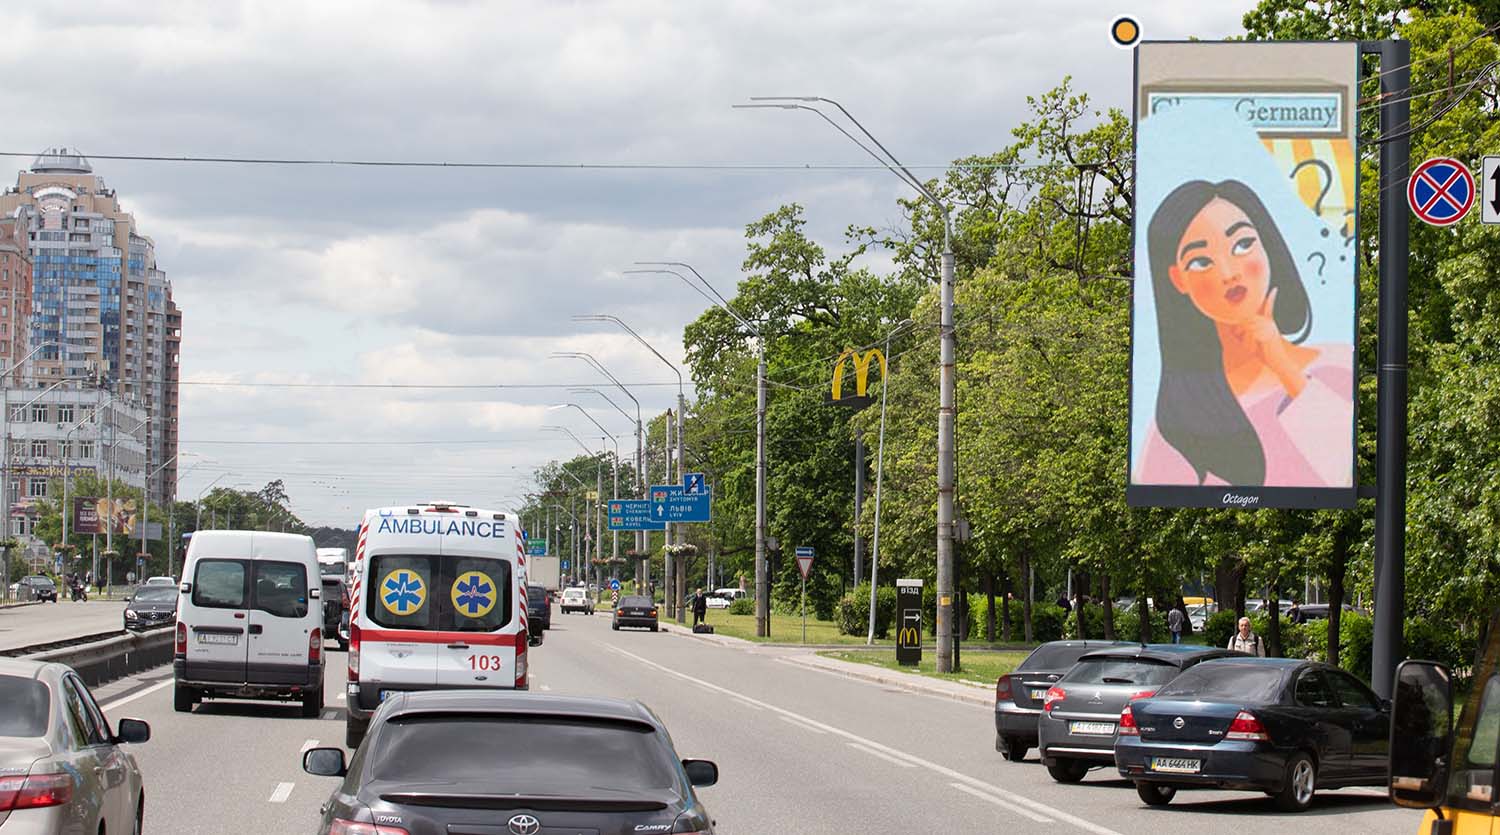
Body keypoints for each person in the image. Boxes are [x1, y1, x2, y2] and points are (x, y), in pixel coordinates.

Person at [1135, 179, 1354, 489]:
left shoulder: (1341, 364)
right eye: (1200, 261)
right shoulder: (1173, 424)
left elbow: (1341, 471)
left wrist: (1283, 367)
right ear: (1177, 280)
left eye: (1242, 244)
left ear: (1267, 245)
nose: (1228, 272)